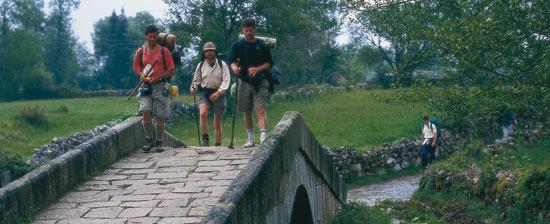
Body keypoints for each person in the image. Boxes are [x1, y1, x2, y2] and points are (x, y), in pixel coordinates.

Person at [229, 18, 274, 148]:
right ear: (242, 30)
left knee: (260, 109)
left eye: (251, 30)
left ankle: (264, 136)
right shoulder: (237, 45)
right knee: (247, 111)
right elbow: (232, 61)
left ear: (255, 29)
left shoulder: (262, 44)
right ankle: (250, 139)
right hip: (243, 81)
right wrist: (234, 68)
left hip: (261, 81)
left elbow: (269, 63)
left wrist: (258, 68)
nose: (249, 32)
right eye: (246, 30)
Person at [132, 25, 175, 152]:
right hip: (146, 86)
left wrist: (159, 77)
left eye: (154, 36)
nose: (152, 38)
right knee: (145, 110)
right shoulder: (140, 52)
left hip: (161, 86)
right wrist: (142, 76)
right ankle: (148, 139)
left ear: (157, 36)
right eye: (149, 36)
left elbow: (171, 70)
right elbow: (137, 68)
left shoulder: (164, 51)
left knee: (160, 116)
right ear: (146, 36)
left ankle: (159, 141)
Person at [190, 42, 230, 147]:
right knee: (202, 113)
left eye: (211, 51)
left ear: (215, 52)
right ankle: (205, 140)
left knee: (217, 121)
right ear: (204, 53)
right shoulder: (201, 65)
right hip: (205, 92)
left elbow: (226, 80)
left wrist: (219, 92)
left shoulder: (222, 64)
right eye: (207, 51)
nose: (209, 53)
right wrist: (193, 88)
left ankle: (218, 144)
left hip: (219, 92)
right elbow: (196, 80)